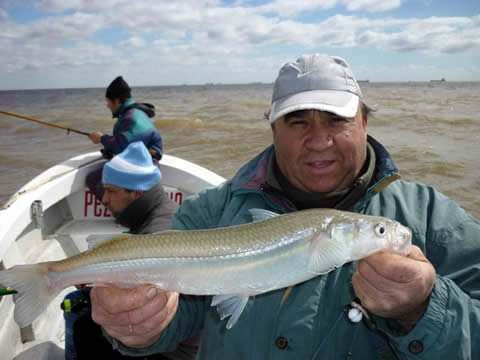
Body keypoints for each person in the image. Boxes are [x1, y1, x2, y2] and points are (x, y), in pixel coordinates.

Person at [89, 55, 480, 359]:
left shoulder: (434, 219)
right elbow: (173, 320)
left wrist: (424, 310)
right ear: (273, 129)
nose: (318, 140)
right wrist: (134, 324)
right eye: (297, 122)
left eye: (336, 120)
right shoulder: (209, 211)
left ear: (363, 121)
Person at [65, 141, 199, 360]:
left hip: (171, 352)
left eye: (110, 191)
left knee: (83, 329)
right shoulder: (160, 212)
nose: (104, 199)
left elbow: (138, 303)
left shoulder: (159, 233)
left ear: (136, 193)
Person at [87, 76, 163, 200]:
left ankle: (121, 213)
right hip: (143, 162)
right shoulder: (134, 113)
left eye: (108, 102)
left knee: (93, 178)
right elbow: (129, 143)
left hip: (145, 166)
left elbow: (121, 145)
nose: (107, 106)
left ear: (117, 101)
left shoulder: (131, 117)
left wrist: (102, 138)